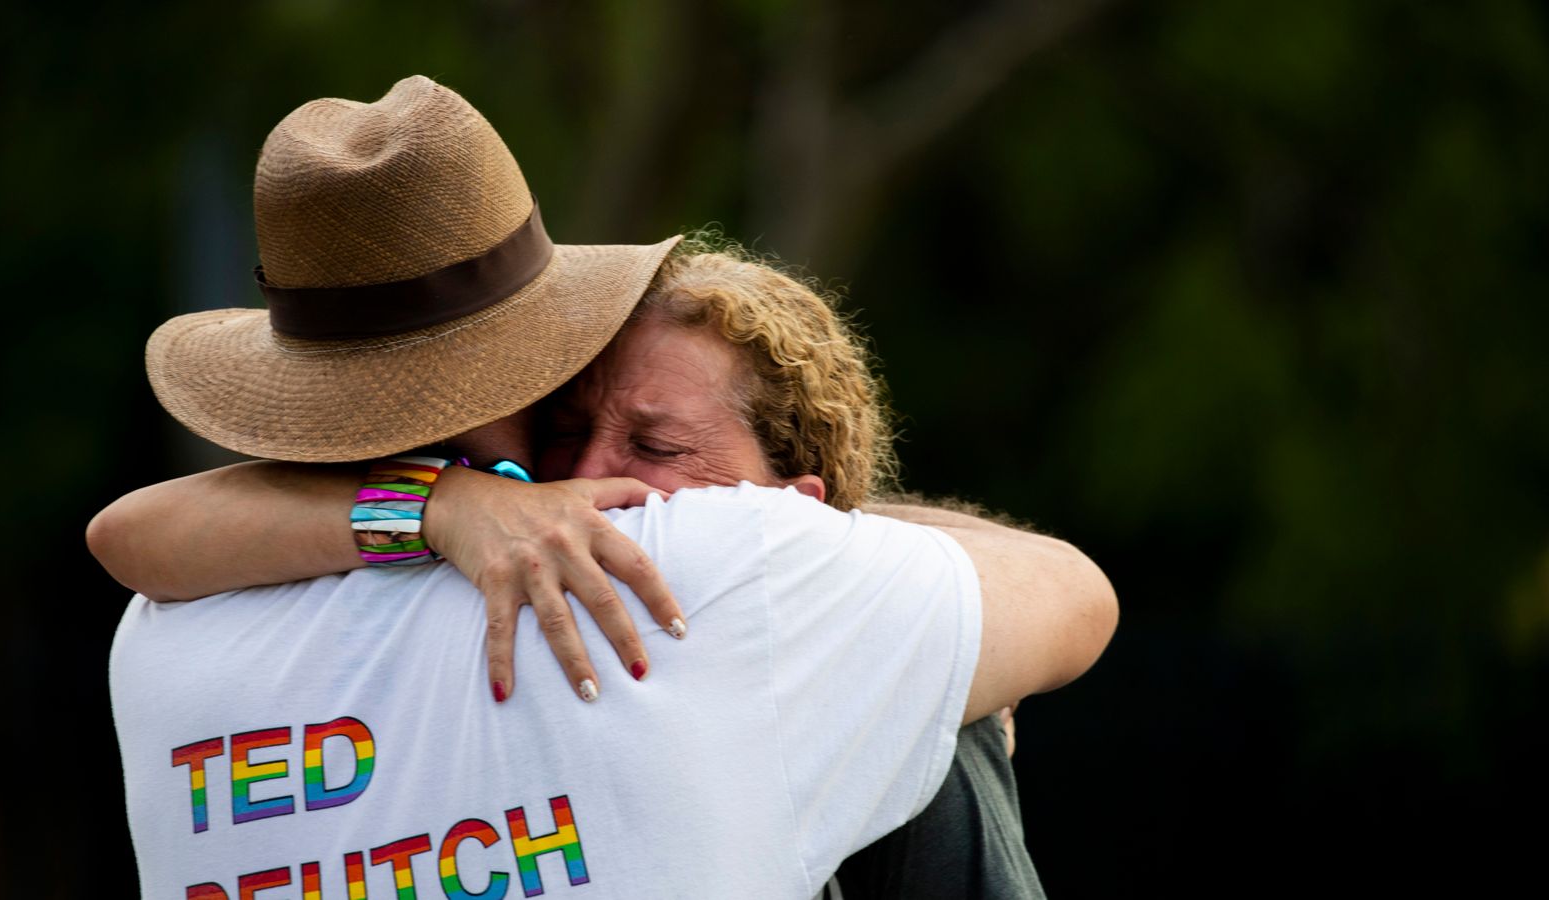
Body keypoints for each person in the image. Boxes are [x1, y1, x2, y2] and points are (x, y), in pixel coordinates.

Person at [100, 76, 1115, 898]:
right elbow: (1070, 593)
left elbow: (126, 533)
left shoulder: (164, 637)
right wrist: (830, 549)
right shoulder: (699, 573)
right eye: (573, 423)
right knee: (941, 731)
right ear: (522, 355)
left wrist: (434, 507)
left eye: (649, 443)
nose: (584, 477)